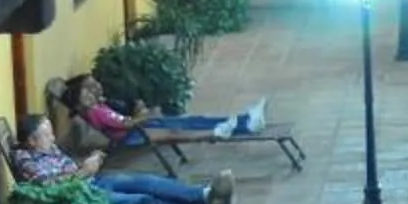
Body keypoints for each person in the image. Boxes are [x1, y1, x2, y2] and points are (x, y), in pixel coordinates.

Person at [11, 116, 231, 204]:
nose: (53, 137)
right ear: (31, 141)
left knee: (145, 182)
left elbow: (65, 171)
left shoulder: (48, 149)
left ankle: (204, 194)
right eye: (47, 134)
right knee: (142, 200)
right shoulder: (25, 159)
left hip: (89, 181)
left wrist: (89, 162)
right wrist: (83, 172)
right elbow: (47, 187)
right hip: (78, 196)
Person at [71, 77, 265, 144]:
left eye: (92, 87)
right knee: (181, 129)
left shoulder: (100, 106)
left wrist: (141, 112)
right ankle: (239, 125)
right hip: (136, 134)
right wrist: (145, 114)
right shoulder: (97, 112)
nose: (94, 89)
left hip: (139, 127)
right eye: (87, 90)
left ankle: (245, 120)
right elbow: (127, 124)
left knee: (190, 121)